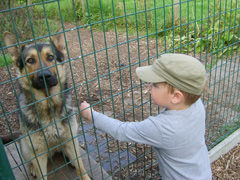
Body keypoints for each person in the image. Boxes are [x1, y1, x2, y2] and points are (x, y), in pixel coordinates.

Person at [80, 53, 212, 180]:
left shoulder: (162, 127)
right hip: (202, 174)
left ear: (176, 97)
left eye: (155, 85)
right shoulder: (196, 105)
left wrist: (90, 114)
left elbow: (121, 130)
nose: (149, 87)